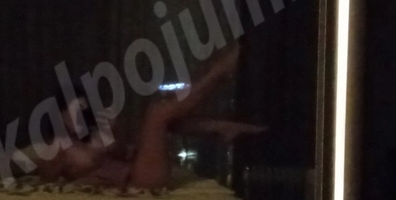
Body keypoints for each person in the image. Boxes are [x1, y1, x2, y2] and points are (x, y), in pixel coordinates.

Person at [36, 43, 266, 189]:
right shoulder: (57, 148)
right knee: (157, 114)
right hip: (139, 181)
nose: (78, 117)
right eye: (71, 112)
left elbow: (121, 152)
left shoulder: (93, 134)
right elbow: (48, 184)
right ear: (59, 116)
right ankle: (219, 73)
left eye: (82, 110)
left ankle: (221, 127)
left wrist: (115, 141)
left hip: (137, 169)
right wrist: (90, 169)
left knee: (162, 116)